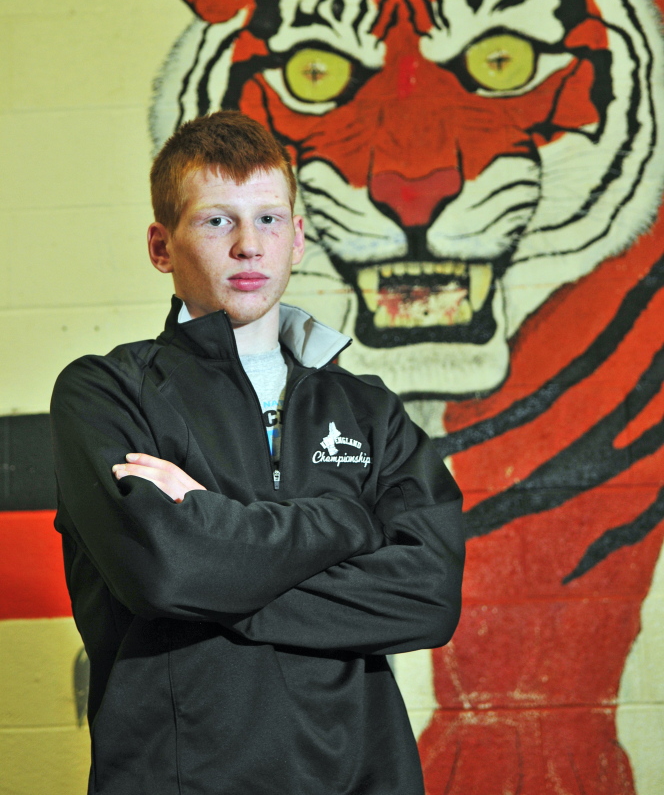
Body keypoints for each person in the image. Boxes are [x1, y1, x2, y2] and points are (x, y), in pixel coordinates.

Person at [51, 110, 465, 795]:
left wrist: (216, 548)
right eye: (217, 220)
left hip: (365, 777)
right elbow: (164, 570)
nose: (249, 245)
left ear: (297, 239)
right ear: (162, 245)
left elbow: (428, 597)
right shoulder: (106, 393)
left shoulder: (370, 409)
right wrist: (349, 522)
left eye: (269, 219)